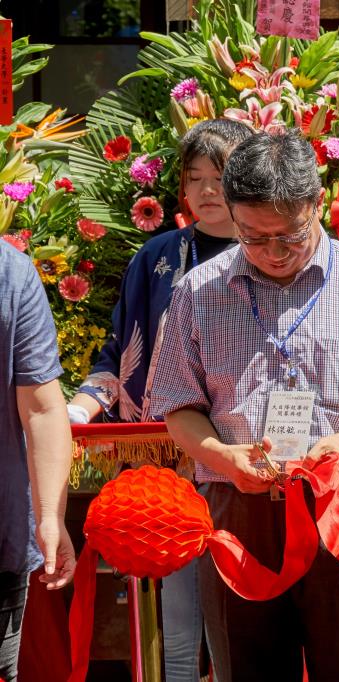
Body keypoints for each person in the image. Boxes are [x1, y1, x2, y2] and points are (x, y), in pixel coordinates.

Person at [149, 131, 339, 682]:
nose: (274, 253)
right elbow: (176, 404)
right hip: (240, 513)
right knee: (247, 664)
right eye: (253, 237)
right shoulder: (197, 292)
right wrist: (222, 453)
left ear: (317, 206)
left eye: (289, 235)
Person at [68, 118, 252, 682]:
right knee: (172, 622)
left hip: (244, 460)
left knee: (241, 623)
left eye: (219, 176)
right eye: (193, 178)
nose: (205, 191)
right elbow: (119, 348)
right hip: (165, 457)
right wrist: (82, 406)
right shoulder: (158, 257)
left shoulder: (267, 252)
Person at [0, 241, 76, 681]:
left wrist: (50, 516)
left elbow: (44, 409)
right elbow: (42, 409)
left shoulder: (12, 274)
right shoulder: (11, 271)